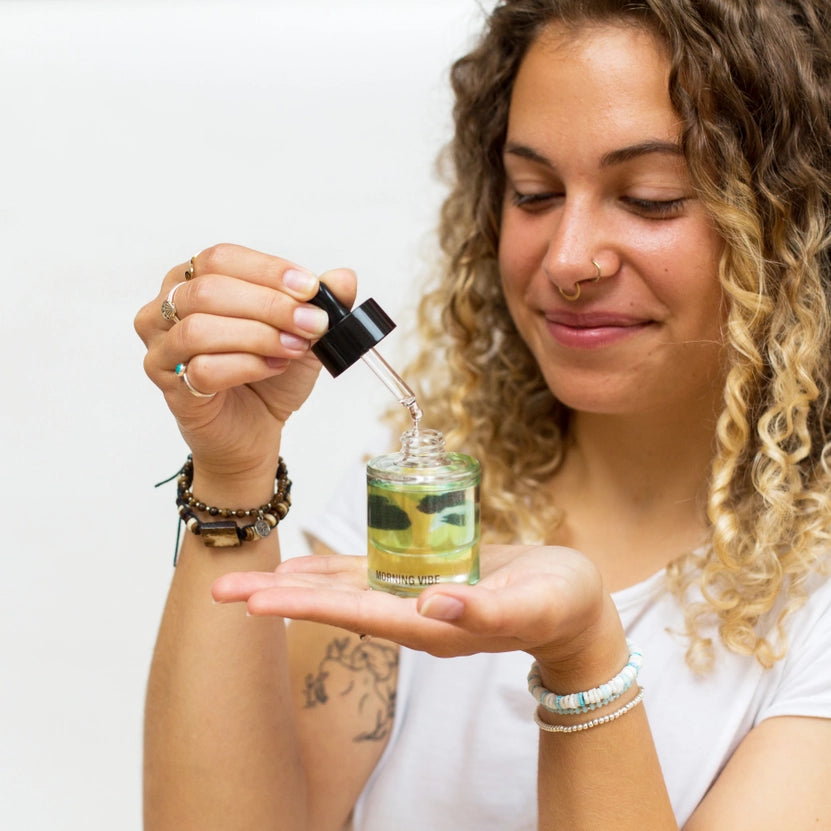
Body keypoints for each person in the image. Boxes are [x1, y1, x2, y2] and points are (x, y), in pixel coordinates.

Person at [134, 1, 831, 828]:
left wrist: (582, 659)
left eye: (649, 198)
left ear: (796, 224)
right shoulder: (420, 511)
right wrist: (233, 473)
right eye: (533, 192)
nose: (567, 260)